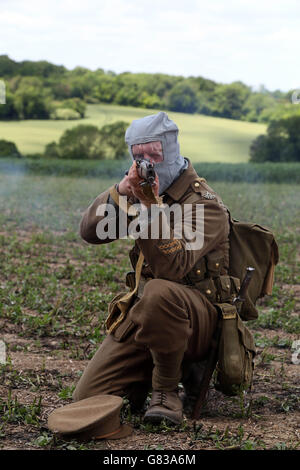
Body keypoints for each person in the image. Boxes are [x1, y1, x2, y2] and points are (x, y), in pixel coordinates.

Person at [73, 111, 232, 426]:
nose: (148, 163)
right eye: (139, 156)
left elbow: (171, 268)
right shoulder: (140, 192)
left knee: (160, 292)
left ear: (171, 152)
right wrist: (122, 191)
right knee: (87, 400)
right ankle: (145, 375)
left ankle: (167, 391)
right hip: (151, 313)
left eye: (155, 154)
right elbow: (90, 232)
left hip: (196, 319)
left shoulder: (204, 204)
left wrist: (149, 208)